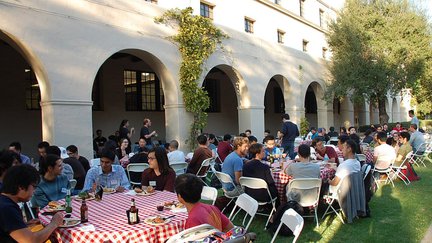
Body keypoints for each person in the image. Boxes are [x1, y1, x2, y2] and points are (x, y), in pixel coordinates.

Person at [0, 165, 64, 242]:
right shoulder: (7, 208)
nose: (34, 191)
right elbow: (31, 240)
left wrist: (24, 225)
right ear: (21, 187)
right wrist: (54, 223)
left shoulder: (4, 201)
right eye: (34, 187)